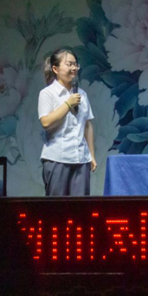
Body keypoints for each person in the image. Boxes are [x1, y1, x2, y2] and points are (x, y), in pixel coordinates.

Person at [38, 47, 96, 196]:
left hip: (81, 159)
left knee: (81, 207)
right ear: (55, 69)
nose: (73, 68)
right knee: (57, 207)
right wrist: (68, 104)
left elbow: (87, 125)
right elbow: (45, 122)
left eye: (75, 64)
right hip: (57, 158)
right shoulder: (47, 93)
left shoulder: (82, 94)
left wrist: (91, 155)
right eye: (69, 64)